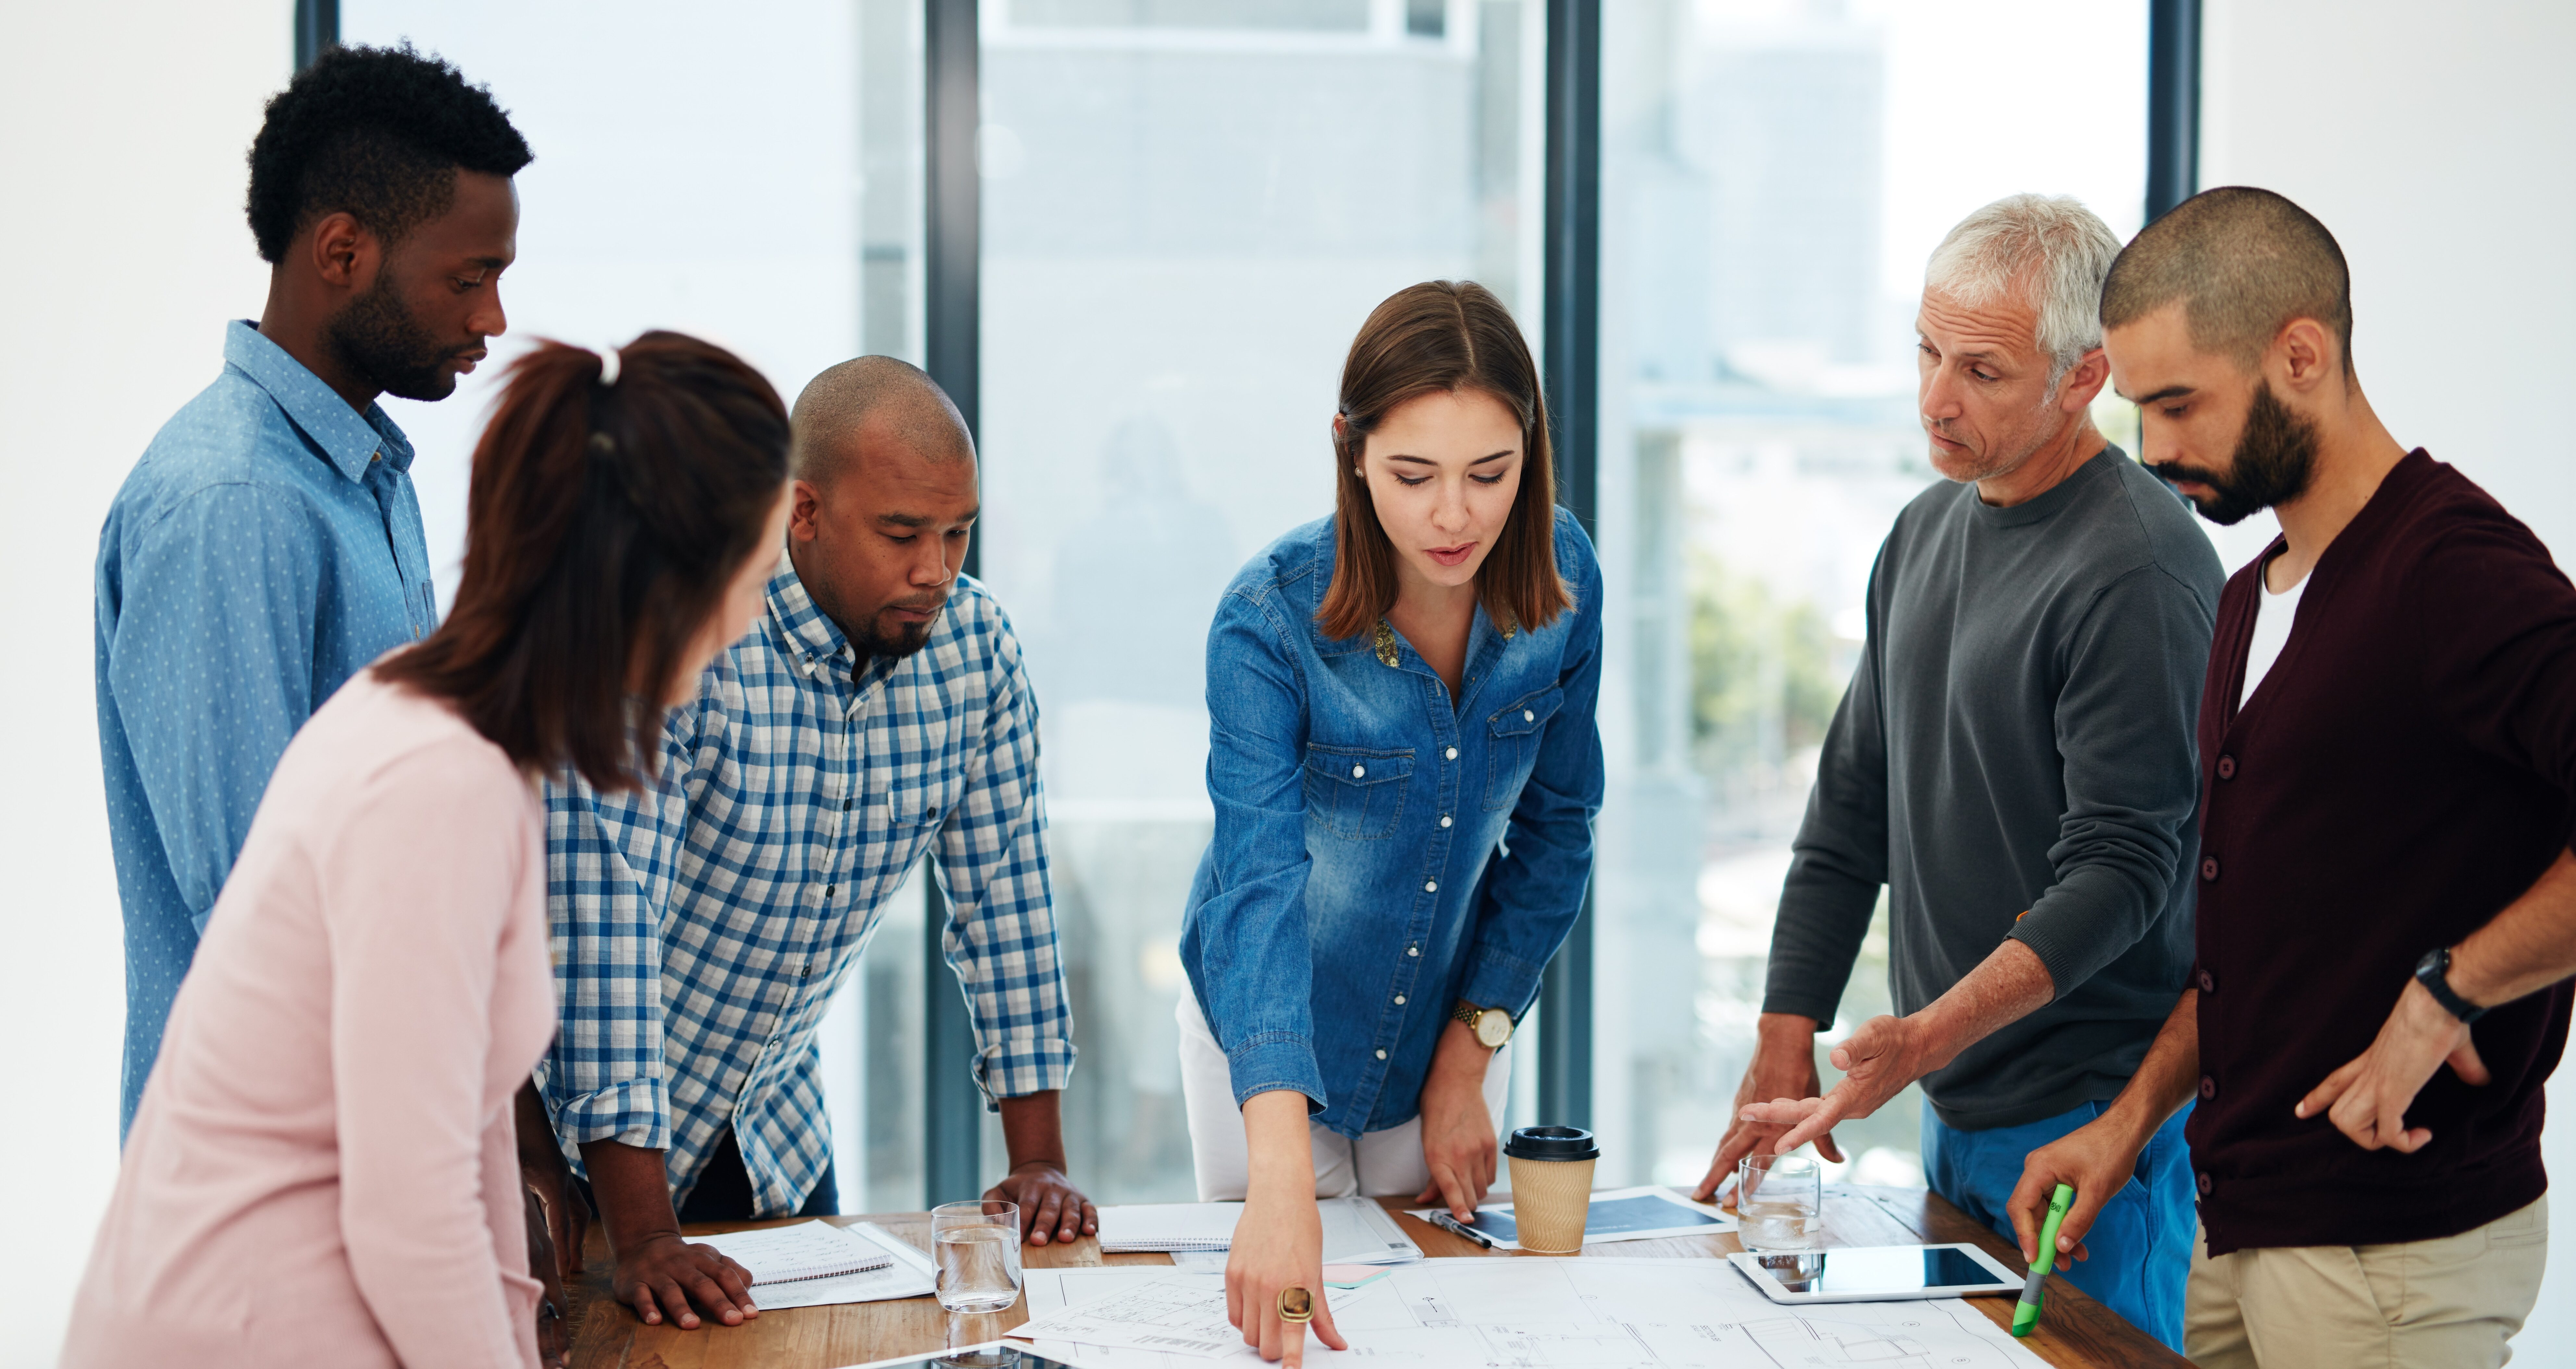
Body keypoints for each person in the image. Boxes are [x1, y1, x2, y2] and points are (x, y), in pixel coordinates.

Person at [64, 332, 795, 1367]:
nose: (752, 622)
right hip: (240, 1330)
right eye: (758, 578)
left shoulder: (455, 735)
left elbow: (470, 1152)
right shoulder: (439, 784)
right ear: (670, 579)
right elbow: (414, 1216)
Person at [2010, 186, 2576, 1369]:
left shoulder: (2458, 574)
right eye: (2139, 412)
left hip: (2389, 1256)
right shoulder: (2247, 597)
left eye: (2178, 405)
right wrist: (2126, 1127)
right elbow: (2262, 946)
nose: (2155, 451)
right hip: (2245, 1226)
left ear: (2302, 354)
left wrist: (2450, 991)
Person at [1696, 195, 2223, 1350]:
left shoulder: (2137, 568)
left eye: (1982, 370)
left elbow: (2127, 868)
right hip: (1959, 1108)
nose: (1937, 397)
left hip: (2097, 1127)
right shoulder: (1924, 534)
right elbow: (1849, 817)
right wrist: (1788, 1025)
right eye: (1928, 353)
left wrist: (1925, 1034)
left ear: (2085, 378)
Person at [533, 356, 1095, 1333]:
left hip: (773, 1133)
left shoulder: (976, 652)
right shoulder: (694, 633)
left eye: (959, 532)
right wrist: (640, 1232)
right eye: (902, 533)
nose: (937, 567)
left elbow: (1007, 902)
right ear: (804, 513)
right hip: (589, 1150)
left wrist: (1037, 1159)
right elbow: (605, 932)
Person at [94, 44, 531, 1137]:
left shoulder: (360, 479)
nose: (493, 317)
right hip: (271, 1163)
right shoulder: (234, 502)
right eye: (469, 276)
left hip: (365, 1135)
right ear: (344, 249)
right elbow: (259, 904)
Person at [1180, 280, 1605, 1367]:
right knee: (1284, 1325)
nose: (1454, 515)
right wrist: (1279, 1178)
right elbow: (1257, 889)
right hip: (1270, 1036)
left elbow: (1558, 831)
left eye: (1490, 473)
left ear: (1532, 451)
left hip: (1453, 1019)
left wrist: (1470, 1055)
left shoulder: (1563, 583)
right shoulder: (1266, 622)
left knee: (1444, 1325)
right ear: (1352, 451)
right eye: (1414, 475)